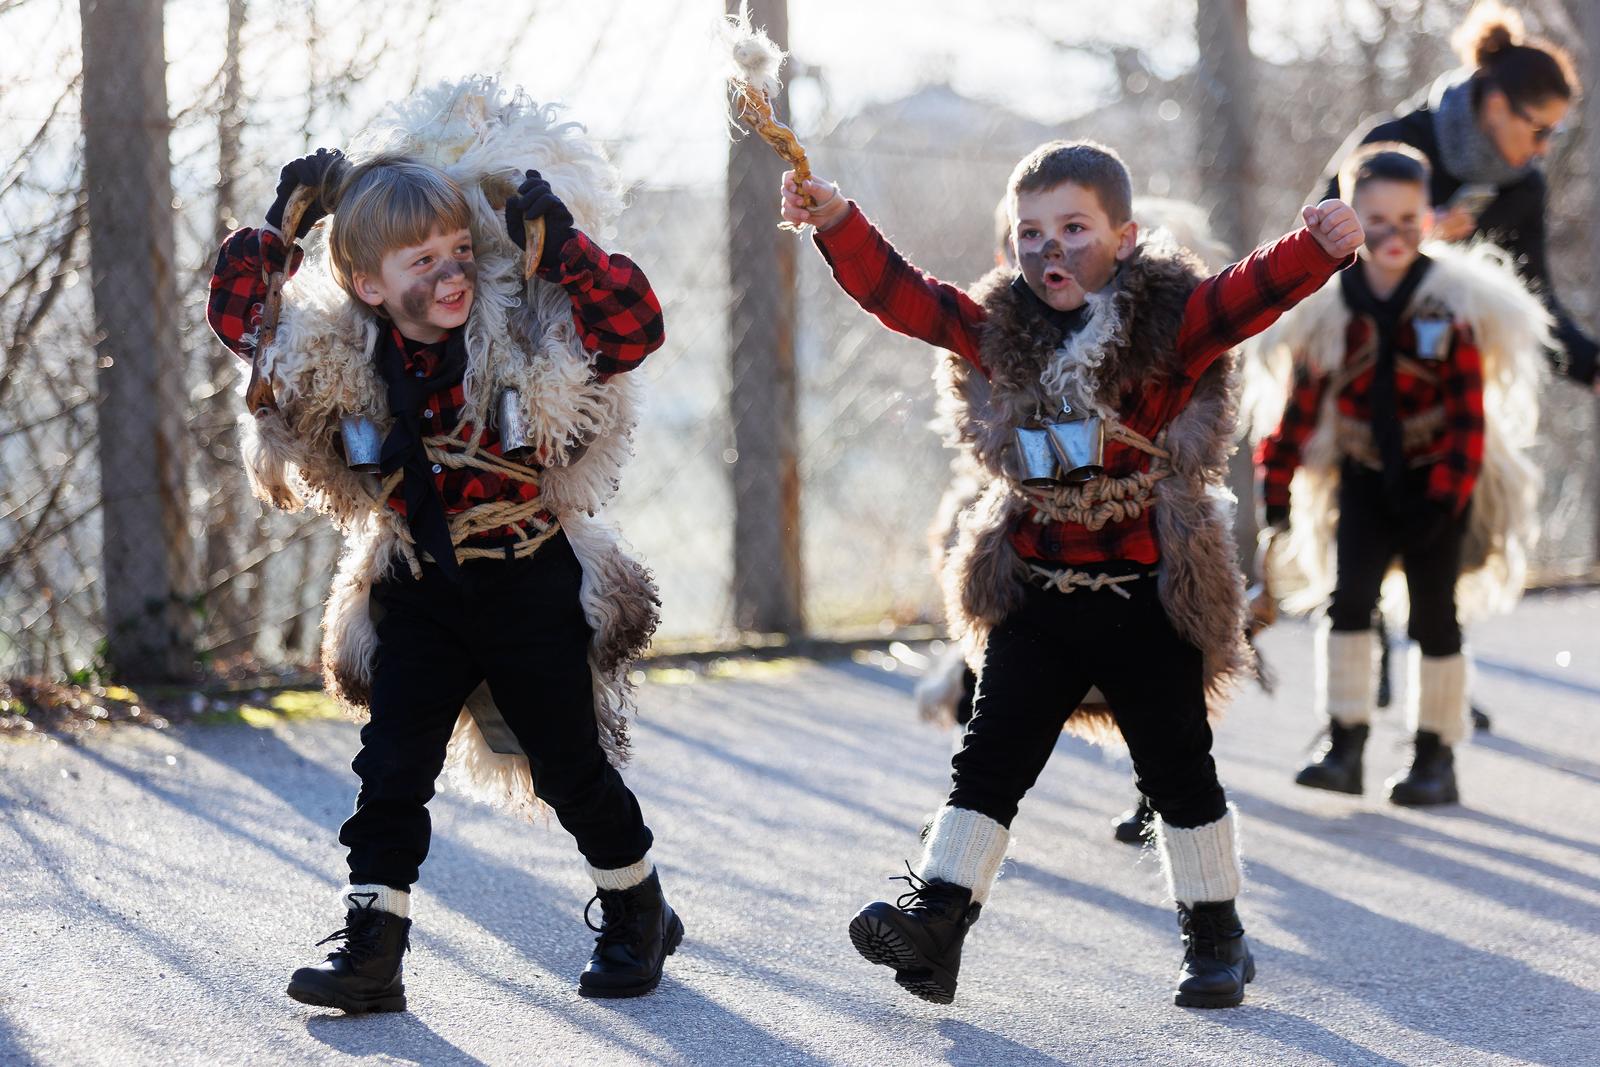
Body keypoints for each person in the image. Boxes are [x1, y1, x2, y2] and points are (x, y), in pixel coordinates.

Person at [781, 139, 1361, 1008]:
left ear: (1124, 239)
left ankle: (1216, 935)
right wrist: (836, 220)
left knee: (1177, 768)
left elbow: (1247, 294)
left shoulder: (1170, 324)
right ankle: (938, 923)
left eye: (1074, 228)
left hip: (1146, 592)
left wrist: (1316, 245)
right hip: (1037, 587)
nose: (1049, 248)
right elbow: (907, 298)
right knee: (988, 760)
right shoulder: (1000, 331)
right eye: (1031, 232)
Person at [206, 80, 678, 1011]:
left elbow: (634, 328)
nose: (453, 273)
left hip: (525, 576)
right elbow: (242, 323)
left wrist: (565, 247)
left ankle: (637, 910)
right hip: (416, 583)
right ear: (368, 284)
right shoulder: (342, 349)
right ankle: (372, 950)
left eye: (461, 250)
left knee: (568, 765)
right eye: (422, 260)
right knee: (391, 770)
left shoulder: (522, 325)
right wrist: (279, 230)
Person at [1252, 143, 1547, 806]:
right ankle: (1345, 740)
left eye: (1408, 218)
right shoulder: (1331, 308)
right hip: (1363, 477)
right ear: (1351, 219)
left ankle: (1435, 754)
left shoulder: (1449, 304)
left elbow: (1468, 416)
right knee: (1348, 600)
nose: (1393, 233)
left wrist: (1446, 498)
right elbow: (1299, 407)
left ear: (1430, 217)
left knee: (1434, 614)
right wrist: (1276, 483)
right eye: (1376, 219)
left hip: (1435, 480)